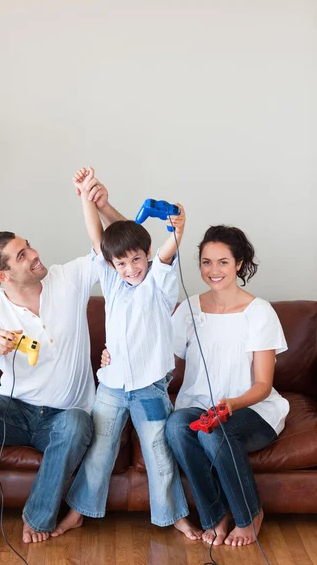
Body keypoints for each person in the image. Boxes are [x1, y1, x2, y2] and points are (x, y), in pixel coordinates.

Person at [0, 174, 122, 553]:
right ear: (2, 275)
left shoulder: (66, 279)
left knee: (76, 422)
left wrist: (99, 204)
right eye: (22, 256)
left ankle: (36, 517)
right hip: (15, 411)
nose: (34, 254)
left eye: (29, 246)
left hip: (64, 415)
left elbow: (119, 249)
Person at [51, 167, 203, 540]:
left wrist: (178, 232)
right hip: (112, 386)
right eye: (121, 263)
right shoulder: (113, 283)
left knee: (158, 453)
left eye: (136, 260)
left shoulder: (158, 283)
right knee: (99, 452)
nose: (130, 269)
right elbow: (98, 238)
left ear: (147, 256)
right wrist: (88, 198)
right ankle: (78, 511)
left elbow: (165, 252)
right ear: (112, 266)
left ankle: (174, 516)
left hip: (150, 386)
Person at [164, 225, 289, 546]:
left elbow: (263, 385)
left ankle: (250, 515)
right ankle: (215, 516)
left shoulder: (259, 313)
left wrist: (230, 405)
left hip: (251, 408)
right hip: (199, 406)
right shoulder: (189, 309)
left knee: (213, 430)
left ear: (239, 263)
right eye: (206, 262)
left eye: (222, 262)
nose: (213, 270)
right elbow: (160, 358)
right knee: (178, 426)